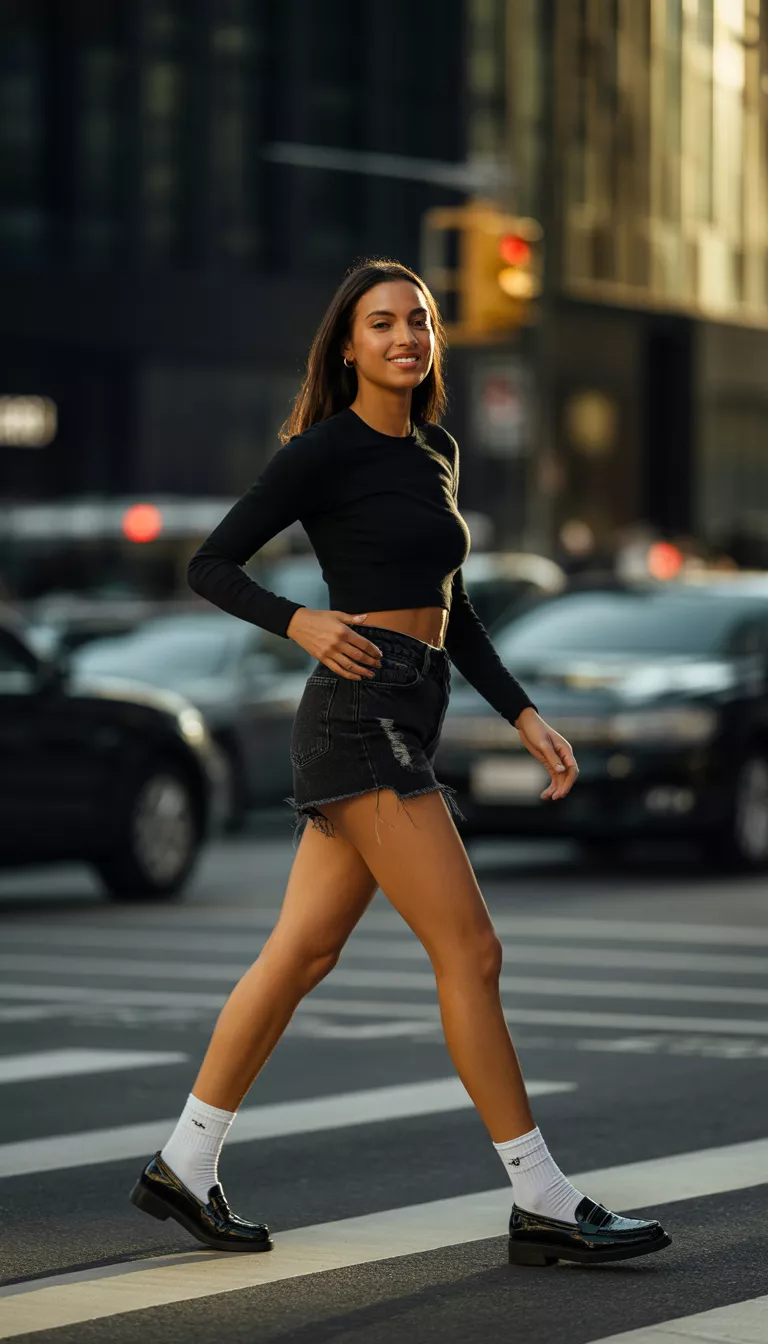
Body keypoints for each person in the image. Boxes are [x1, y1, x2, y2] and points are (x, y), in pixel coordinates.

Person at [129, 260, 671, 1268]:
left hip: (413, 707)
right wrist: (299, 621)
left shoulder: (437, 449)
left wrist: (522, 713)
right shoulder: (323, 451)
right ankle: (542, 1199)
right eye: (381, 324)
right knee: (472, 951)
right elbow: (208, 562)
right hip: (357, 713)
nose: (404, 338)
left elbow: (453, 607)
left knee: (302, 954)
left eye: (418, 321)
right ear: (348, 345)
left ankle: (184, 1163)